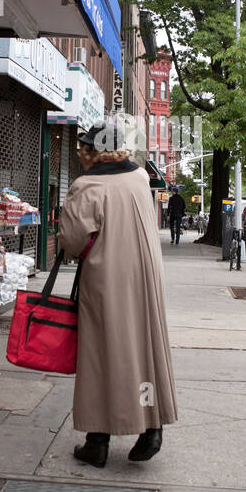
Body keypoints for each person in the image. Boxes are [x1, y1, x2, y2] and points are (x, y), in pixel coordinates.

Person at [58, 122, 179, 468]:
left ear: (92, 152)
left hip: (105, 279)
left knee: (101, 353)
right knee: (145, 347)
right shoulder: (141, 178)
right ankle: (151, 427)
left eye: (83, 149)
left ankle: (97, 440)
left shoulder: (86, 185)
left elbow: (72, 242)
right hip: (145, 279)